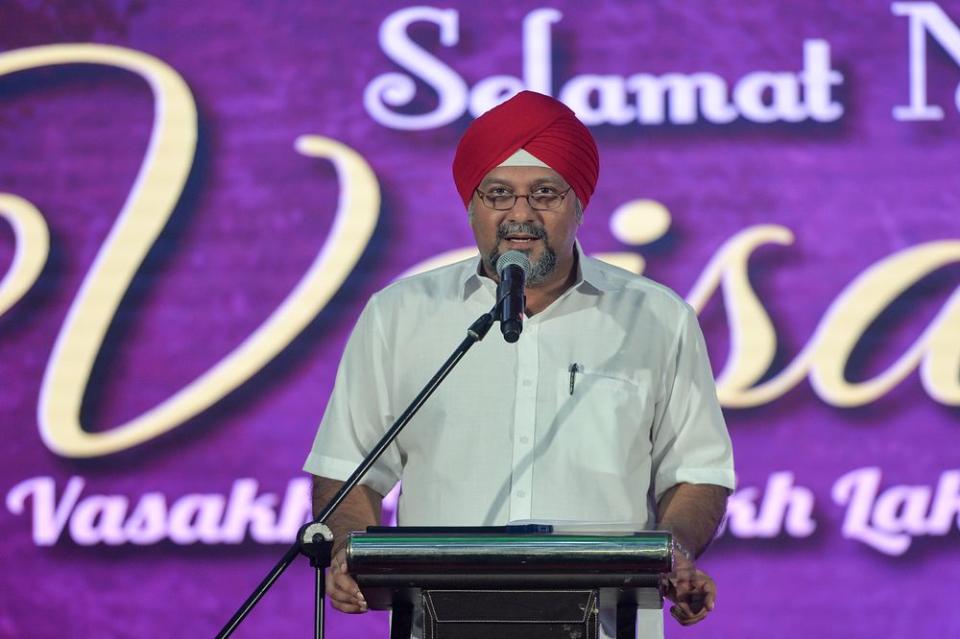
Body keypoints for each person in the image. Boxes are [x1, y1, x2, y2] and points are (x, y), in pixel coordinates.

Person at [304, 90, 735, 637]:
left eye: (546, 193)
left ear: (579, 204)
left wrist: (673, 552)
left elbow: (697, 472)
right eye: (499, 193)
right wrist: (347, 549)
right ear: (471, 205)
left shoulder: (656, 317)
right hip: (438, 621)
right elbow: (347, 470)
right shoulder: (400, 314)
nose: (521, 216)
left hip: (607, 623)